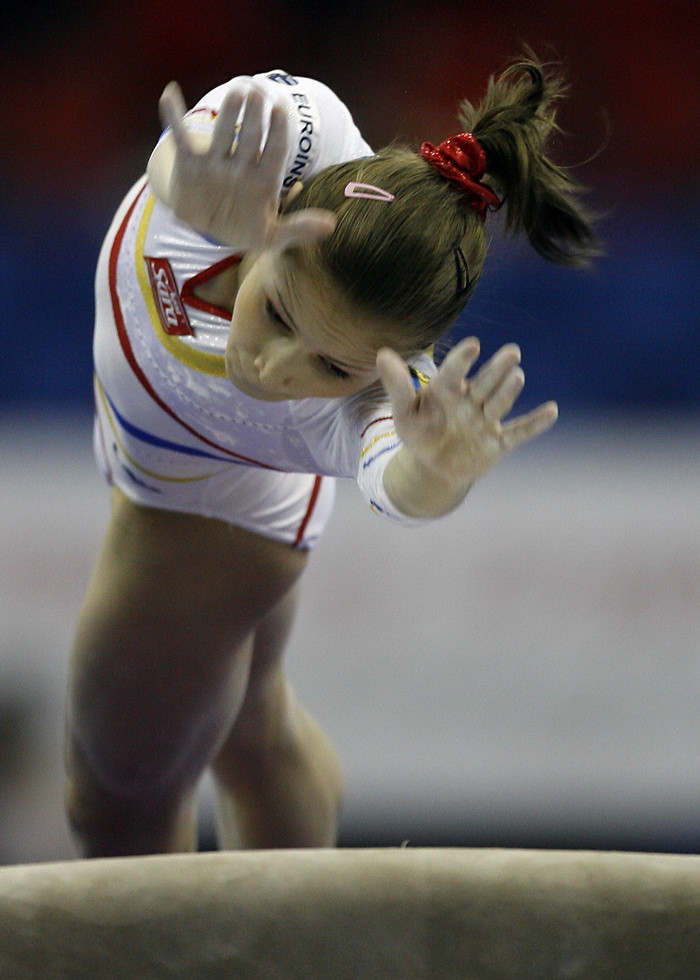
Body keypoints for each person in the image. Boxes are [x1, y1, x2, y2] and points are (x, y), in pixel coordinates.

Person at [65, 57, 598, 856]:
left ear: (388, 365)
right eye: (277, 311)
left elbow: (399, 480)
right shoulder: (302, 137)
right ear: (281, 215)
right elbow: (187, 147)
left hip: (204, 500)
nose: (276, 370)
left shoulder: (380, 398)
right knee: (249, 724)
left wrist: (436, 476)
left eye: (331, 367)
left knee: (114, 800)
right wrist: (178, 179)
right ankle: (293, 937)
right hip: (157, 435)